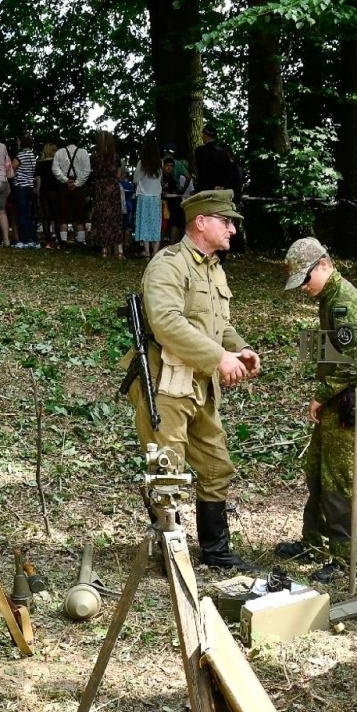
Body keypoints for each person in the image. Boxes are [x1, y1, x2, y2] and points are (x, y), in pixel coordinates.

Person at [126, 189, 262, 570]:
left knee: (216, 464)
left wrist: (240, 348)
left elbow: (220, 325)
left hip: (201, 383)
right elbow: (167, 323)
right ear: (201, 222)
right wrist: (219, 357)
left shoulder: (212, 266)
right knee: (167, 469)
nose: (233, 229)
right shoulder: (169, 265)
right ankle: (170, 551)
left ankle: (216, 552)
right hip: (167, 382)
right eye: (226, 221)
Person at [274, 238, 357, 581]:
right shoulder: (330, 297)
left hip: (345, 402)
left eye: (306, 279)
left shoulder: (342, 301)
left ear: (323, 264)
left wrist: (321, 394)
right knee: (317, 470)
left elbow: (353, 360)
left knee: (339, 481)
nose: (304, 288)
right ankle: (314, 541)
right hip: (337, 398)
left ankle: (348, 559)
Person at [90, 131, 126, 259]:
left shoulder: (95, 157)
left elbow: (93, 173)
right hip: (112, 188)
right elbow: (119, 175)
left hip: (100, 188)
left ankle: (104, 249)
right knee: (115, 218)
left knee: (102, 218)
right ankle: (119, 249)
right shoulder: (115, 157)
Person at [54, 136, 91, 245]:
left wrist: (65, 180)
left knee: (63, 213)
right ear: (78, 142)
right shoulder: (83, 153)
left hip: (63, 185)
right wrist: (77, 183)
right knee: (80, 213)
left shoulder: (60, 152)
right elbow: (87, 170)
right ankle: (80, 240)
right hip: (79, 186)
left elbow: (55, 169)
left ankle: (64, 240)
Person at [132, 138, 163, 258]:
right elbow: (160, 179)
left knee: (144, 224)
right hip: (156, 196)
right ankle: (155, 253)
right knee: (155, 224)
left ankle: (147, 253)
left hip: (144, 196)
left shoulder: (142, 163)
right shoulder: (160, 162)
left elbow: (135, 179)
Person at [12, 133, 38, 247]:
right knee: (29, 214)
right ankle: (33, 239)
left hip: (20, 186)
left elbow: (12, 167)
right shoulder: (33, 155)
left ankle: (24, 240)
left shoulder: (20, 155)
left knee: (22, 214)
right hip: (30, 187)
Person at [36, 141, 60, 247]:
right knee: (56, 216)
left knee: (46, 217)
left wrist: (37, 190)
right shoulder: (56, 163)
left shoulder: (40, 163)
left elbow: (38, 179)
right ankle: (58, 239)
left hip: (44, 191)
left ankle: (48, 241)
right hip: (55, 191)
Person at [161, 155, 187, 246]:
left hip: (172, 205)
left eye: (171, 166)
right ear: (163, 166)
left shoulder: (172, 180)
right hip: (162, 204)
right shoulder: (160, 177)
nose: (169, 168)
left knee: (177, 216)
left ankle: (173, 244)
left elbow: (173, 192)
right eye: (167, 165)